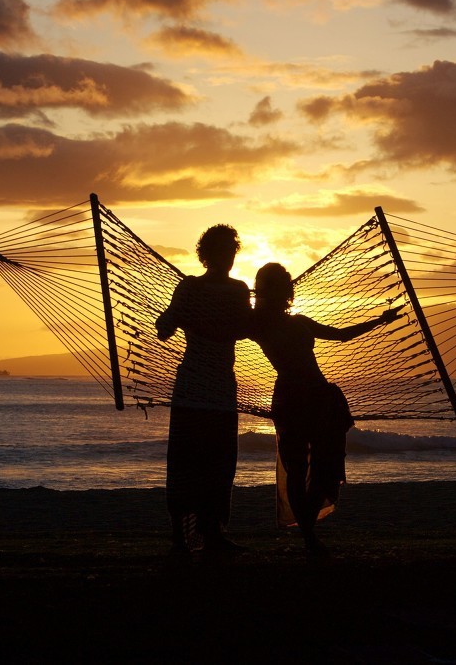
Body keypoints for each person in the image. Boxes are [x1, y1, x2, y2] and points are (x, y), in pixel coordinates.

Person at [250, 262, 400, 556]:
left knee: (321, 464)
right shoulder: (257, 324)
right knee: (298, 467)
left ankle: (308, 532)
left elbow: (341, 335)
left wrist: (380, 321)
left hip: (318, 397)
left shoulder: (297, 320)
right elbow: (225, 321)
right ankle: (308, 535)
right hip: (294, 398)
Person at [156, 224, 251, 554]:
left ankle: (212, 533)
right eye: (221, 251)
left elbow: (245, 328)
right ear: (206, 254)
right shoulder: (190, 288)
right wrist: (179, 318)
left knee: (220, 464)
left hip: (222, 389)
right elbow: (164, 328)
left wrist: (197, 323)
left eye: (231, 251)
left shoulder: (239, 290)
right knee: (185, 462)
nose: (227, 257)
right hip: (193, 389)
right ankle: (180, 536)